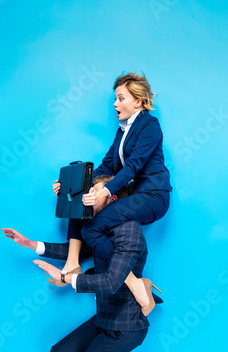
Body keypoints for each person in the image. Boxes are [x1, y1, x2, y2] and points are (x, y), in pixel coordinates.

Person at [2, 177, 169, 352]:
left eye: (95, 191)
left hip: (126, 327)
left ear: (112, 198)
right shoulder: (103, 229)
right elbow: (76, 251)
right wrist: (32, 244)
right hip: (105, 317)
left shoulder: (129, 232)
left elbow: (112, 282)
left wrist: (67, 278)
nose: (89, 195)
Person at [52, 72, 172, 309]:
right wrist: (72, 185)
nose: (115, 104)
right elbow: (107, 165)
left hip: (152, 196)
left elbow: (133, 167)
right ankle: (73, 262)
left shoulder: (150, 125)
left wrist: (104, 192)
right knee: (81, 201)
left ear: (137, 101)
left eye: (120, 98)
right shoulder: (122, 131)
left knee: (94, 227)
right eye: (115, 99)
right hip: (134, 196)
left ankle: (134, 283)